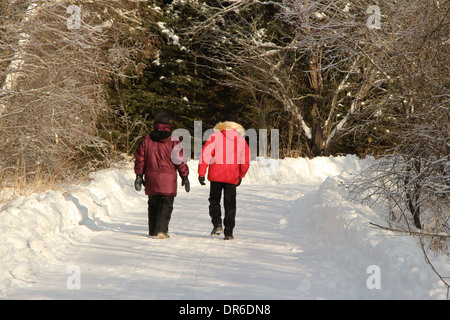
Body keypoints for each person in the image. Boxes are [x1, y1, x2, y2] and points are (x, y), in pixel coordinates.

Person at [134, 111, 190, 239]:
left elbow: (140, 158)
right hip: (168, 179)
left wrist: (138, 175)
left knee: (153, 204)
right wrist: (184, 176)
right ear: (169, 123)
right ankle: (162, 230)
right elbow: (179, 160)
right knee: (166, 204)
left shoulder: (147, 139)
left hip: (151, 177)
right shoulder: (173, 140)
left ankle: (153, 230)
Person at [198, 114, 250, 240]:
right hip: (231, 176)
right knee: (230, 204)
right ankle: (229, 232)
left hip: (216, 175)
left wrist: (201, 173)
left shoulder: (215, 136)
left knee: (214, 200)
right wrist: (240, 175)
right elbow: (245, 161)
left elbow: (205, 155)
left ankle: (217, 223)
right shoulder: (241, 140)